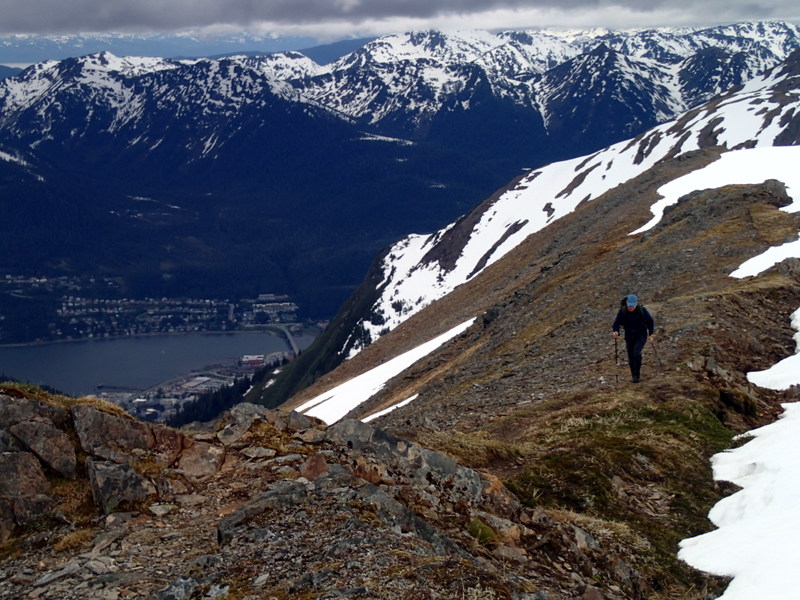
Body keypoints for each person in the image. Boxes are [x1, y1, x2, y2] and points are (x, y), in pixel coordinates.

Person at [612, 294, 655, 383]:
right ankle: (634, 375)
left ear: (636, 304)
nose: (631, 307)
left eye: (633, 306)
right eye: (629, 305)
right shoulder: (623, 311)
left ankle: (637, 375)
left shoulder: (642, 310)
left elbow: (650, 322)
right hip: (629, 336)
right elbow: (616, 323)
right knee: (631, 357)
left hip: (641, 335)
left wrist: (651, 335)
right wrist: (616, 331)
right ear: (627, 304)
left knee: (636, 353)